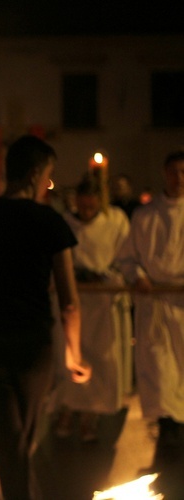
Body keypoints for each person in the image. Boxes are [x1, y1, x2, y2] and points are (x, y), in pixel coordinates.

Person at [0, 135, 91, 499]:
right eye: (48, 175)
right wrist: (73, 354)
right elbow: (69, 301)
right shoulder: (49, 221)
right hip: (33, 347)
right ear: (33, 174)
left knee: (6, 446)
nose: (49, 184)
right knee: (16, 445)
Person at [116, 149, 184, 497]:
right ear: (164, 174)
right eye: (174, 172)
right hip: (156, 305)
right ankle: (168, 436)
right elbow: (127, 258)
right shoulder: (145, 216)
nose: (180, 178)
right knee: (160, 370)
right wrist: (139, 275)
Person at [52, 173, 131, 442]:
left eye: (91, 207)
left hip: (102, 302)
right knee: (69, 355)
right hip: (73, 299)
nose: (86, 212)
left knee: (99, 357)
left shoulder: (116, 221)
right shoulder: (65, 223)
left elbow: (126, 258)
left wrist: (105, 275)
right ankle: (67, 409)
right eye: (82, 206)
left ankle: (91, 414)